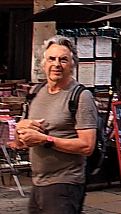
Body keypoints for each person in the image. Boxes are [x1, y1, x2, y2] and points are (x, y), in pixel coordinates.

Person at [15, 36, 99, 214]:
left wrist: (46, 140)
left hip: (65, 183)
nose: (57, 64)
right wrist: (20, 128)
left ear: (72, 65)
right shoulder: (35, 93)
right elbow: (20, 142)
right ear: (44, 63)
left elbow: (87, 146)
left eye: (63, 60)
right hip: (38, 183)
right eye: (51, 59)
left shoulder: (80, 96)